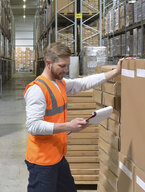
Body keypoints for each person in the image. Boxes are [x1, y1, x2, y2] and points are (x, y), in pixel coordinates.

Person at [24, 42, 123, 192]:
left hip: (57, 155)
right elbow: (33, 126)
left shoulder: (59, 83)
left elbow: (83, 83)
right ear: (48, 63)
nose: (65, 70)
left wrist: (115, 72)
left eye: (67, 66)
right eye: (62, 66)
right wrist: (68, 126)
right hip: (42, 160)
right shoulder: (37, 89)